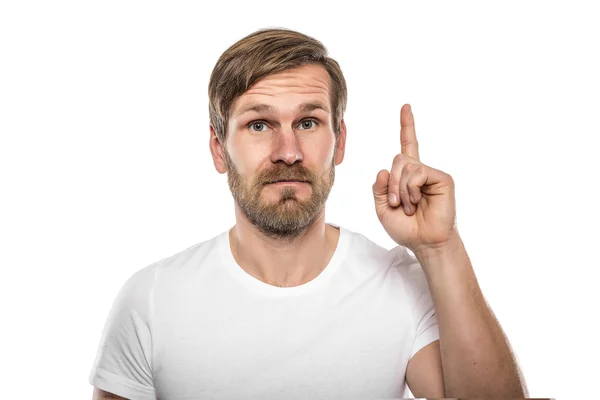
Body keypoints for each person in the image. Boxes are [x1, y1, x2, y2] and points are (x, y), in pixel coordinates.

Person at [89, 28, 528, 399]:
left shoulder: (402, 286)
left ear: (340, 141)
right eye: (259, 125)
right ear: (218, 149)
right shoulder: (151, 299)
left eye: (308, 122)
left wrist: (440, 247)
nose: (288, 153)